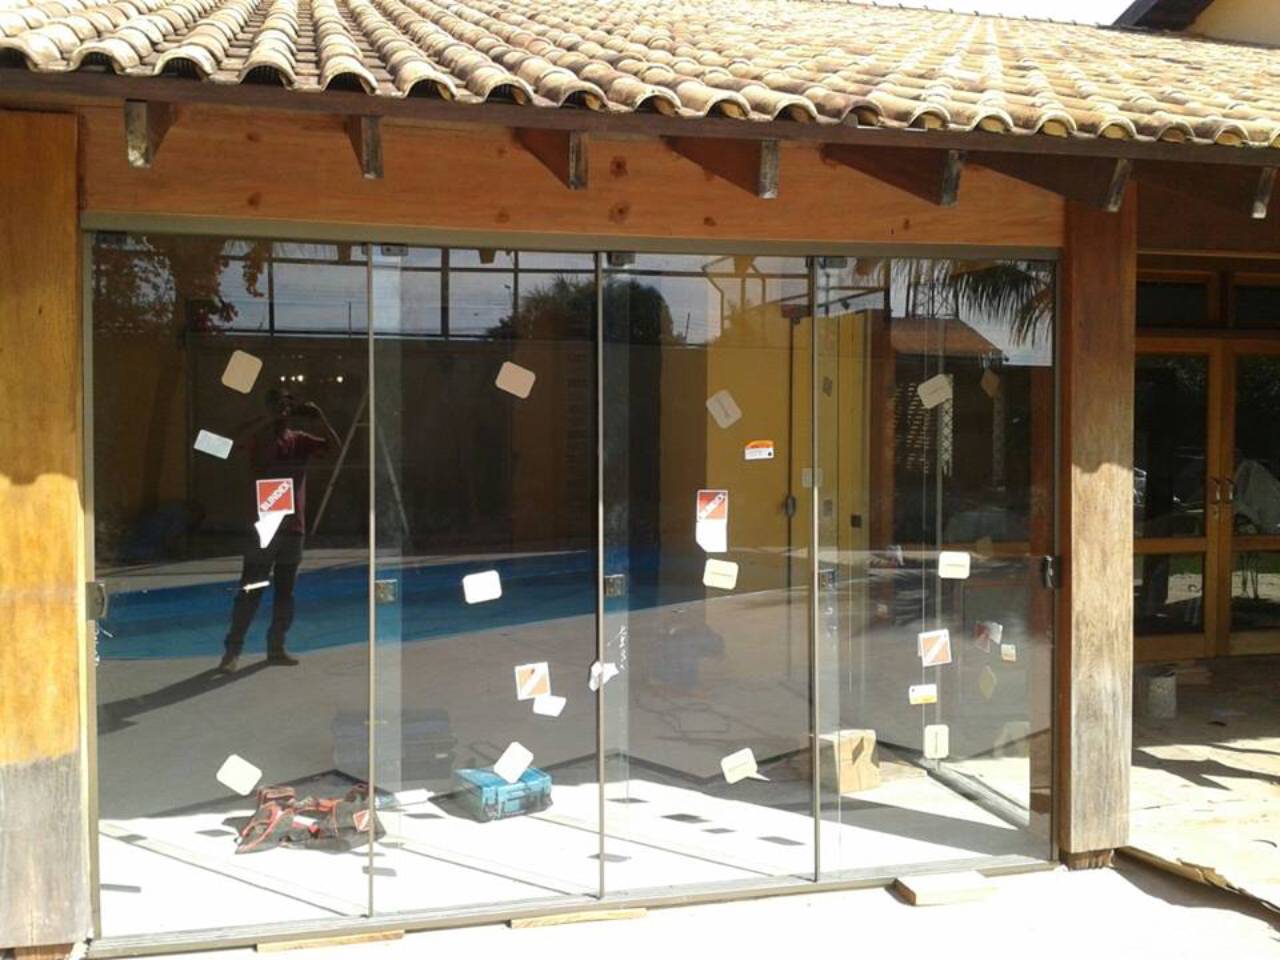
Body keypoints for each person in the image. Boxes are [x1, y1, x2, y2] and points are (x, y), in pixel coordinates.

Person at [218, 388, 340, 672]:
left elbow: (335, 449)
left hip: (293, 526)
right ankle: (232, 650)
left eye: (286, 405)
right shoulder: (258, 437)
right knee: (251, 590)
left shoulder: (299, 439)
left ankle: (276, 646)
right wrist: (265, 419)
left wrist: (320, 419)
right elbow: (220, 445)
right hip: (264, 526)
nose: (283, 410)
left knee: (286, 593)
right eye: (277, 405)